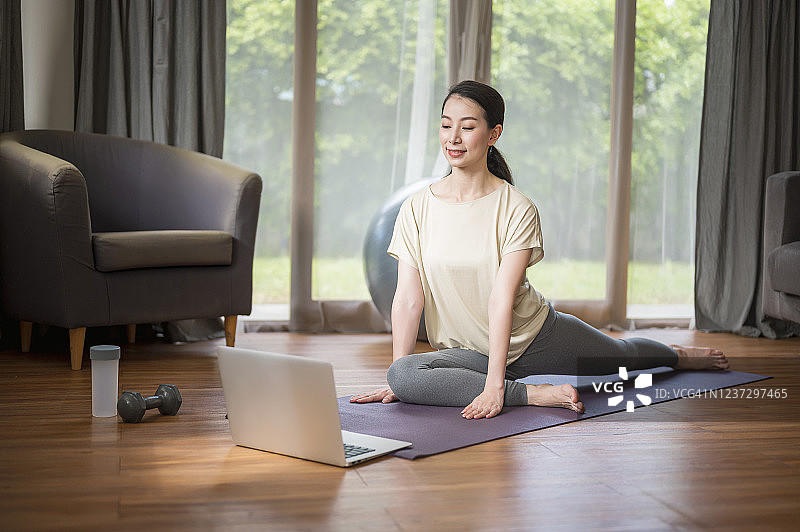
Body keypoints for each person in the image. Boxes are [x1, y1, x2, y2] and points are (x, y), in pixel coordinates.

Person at [350, 80, 728, 419]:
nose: (454, 137)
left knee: (622, 356)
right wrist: (398, 383)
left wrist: (496, 385)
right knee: (403, 373)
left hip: (535, 336)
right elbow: (407, 300)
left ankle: (680, 356)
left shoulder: (516, 207)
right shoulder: (417, 207)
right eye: (447, 125)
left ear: (493, 133)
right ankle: (534, 394)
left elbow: (502, 298)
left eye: (467, 127)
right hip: (470, 353)